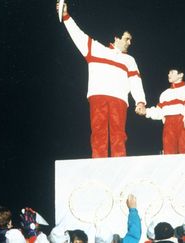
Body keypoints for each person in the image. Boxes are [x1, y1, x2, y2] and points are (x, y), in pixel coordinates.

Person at [56, 1, 147, 158]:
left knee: (118, 135)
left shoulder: (130, 60)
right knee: (98, 133)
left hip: (119, 99)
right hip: (98, 96)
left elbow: (135, 81)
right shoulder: (95, 49)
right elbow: (78, 34)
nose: (129, 43)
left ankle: (119, 167)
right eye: (127, 39)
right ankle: (98, 167)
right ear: (116, 38)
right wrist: (65, 16)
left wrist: (140, 101)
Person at [144, 68, 185, 154]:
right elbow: (159, 111)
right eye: (169, 73)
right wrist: (146, 112)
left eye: (172, 72)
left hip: (182, 120)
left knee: (184, 146)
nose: (169, 75)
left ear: (181, 75)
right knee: (168, 148)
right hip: (168, 123)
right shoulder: (165, 93)